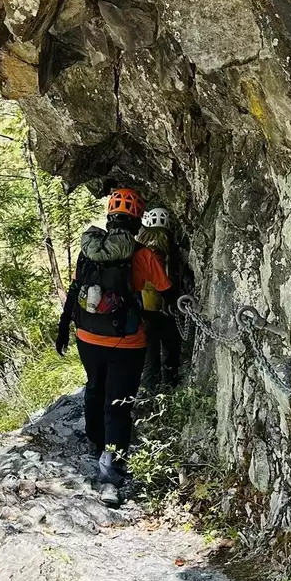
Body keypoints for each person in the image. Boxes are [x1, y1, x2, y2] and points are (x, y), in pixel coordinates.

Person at [54, 187, 171, 505]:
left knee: (95, 388)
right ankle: (110, 478)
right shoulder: (142, 254)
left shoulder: (87, 250)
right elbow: (165, 289)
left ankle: (95, 443)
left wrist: (63, 330)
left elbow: (76, 290)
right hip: (127, 343)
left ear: (109, 218)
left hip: (87, 337)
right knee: (117, 405)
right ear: (136, 222)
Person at [137, 206, 183, 390]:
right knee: (170, 352)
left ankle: (151, 395)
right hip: (165, 309)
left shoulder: (139, 250)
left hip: (143, 311)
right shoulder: (168, 249)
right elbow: (169, 281)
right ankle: (169, 387)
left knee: (150, 359)